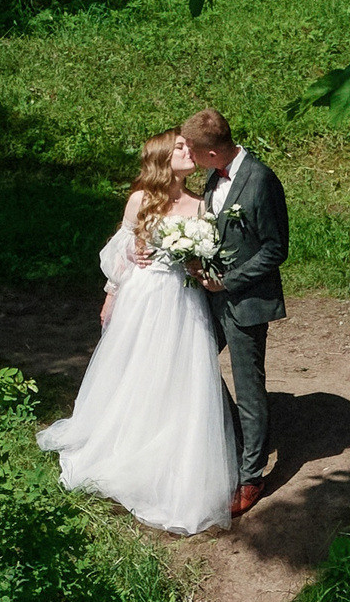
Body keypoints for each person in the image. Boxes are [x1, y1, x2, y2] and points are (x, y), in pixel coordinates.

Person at [37, 130, 239, 535]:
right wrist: (114, 289)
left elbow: (204, 262)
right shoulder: (142, 200)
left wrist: (196, 265)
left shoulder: (202, 206)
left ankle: (172, 454)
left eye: (189, 147)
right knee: (139, 369)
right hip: (144, 298)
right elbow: (119, 248)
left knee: (180, 375)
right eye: (180, 147)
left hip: (183, 302)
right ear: (164, 158)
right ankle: (125, 442)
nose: (189, 152)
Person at [177, 106, 288, 516]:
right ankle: (226, 438)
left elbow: (276, 249)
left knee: (249, 385)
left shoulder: (260, 181)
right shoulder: (213, 176)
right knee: (195, 358)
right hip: (212, 296)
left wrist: (229, 280)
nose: (185, 153)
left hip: (246, 300)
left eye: (190, 148)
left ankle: (251, 475)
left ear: (211, 154)